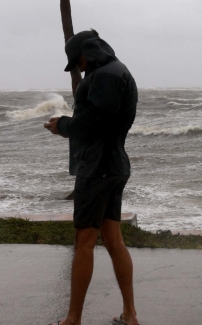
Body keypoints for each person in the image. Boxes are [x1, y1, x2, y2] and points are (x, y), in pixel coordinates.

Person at [44, 29, 140, 325]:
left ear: (87, 51)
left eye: (78, 61)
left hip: (98, 168)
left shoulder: (106, 76)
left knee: (84, 240)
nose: (78, 67)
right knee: (112, 238)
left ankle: (72, 320)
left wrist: (62, 125)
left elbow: (93, 124)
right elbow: (104, 121)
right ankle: (130, 315)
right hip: (114, 166)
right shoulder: (117, 71)